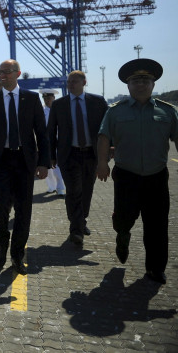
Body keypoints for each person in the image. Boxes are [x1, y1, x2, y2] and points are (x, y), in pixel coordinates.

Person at [96, 58, 177, 285]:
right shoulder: (115, 112)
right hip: (126, 175)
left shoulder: (167, 112)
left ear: (153, 84)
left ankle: (155, 268)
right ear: (128, 85)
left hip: (157, 175)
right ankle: (122, 236)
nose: (141, 84)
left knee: (157, 224)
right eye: (136, 80)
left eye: (145, 80)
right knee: (123, 219)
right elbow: (104, 138)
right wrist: (102, 164)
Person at [0, 59, 49, 275]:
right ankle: (3, 243)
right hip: (1, 162)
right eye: (0, 72)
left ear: (17, 73)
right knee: (0, 207)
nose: (3, 75)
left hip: (25, 161)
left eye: (7, 72)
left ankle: (17, 254)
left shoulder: (31, 98)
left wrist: (44, 162)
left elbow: (41, 132)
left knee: (24, 209)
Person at [48, 72, 108, 246]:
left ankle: (81, 221)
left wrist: (109, 149)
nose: (71, 84)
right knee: (74, 191)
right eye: (69, 82)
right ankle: (76, 230)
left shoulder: (98, 102)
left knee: (87, 190)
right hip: (69, 154)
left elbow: (108, 128)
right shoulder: (59, 105)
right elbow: (50, 132)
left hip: (91, 154)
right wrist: (51, 156)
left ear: (84, 82)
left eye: (74, 81)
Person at [40, 89, 66, 196]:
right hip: (45, 142)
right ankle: (51, 187)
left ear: (53, 98)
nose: (47, 100)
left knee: (57, 167)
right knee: (48, 167)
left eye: (49, 98)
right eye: (45, 98)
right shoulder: (41, 111)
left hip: (58, 141)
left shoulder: (60, 110)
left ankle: (60, 188)